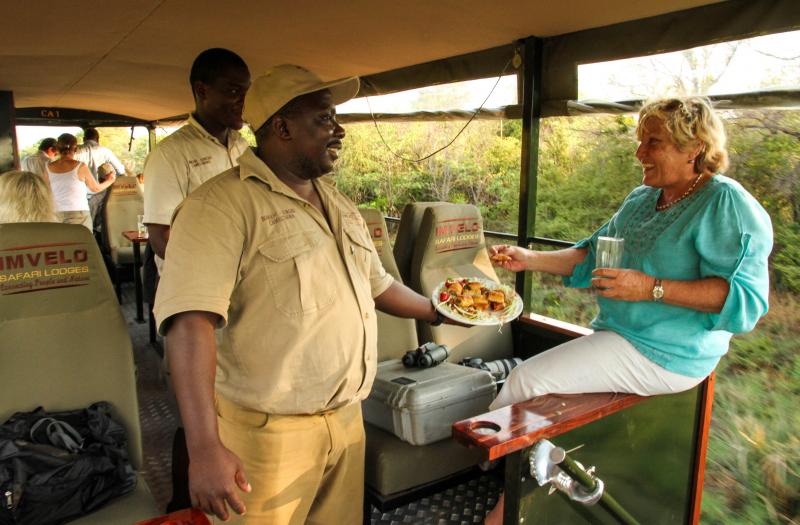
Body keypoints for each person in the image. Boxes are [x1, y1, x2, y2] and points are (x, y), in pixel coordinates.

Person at [153, 64, 457, 524]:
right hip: (268, 436)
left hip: (346, 423)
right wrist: (205, 447)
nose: (340, 130)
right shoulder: (219, 207)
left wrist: (439, 311)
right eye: (325, 118)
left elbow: (377, 284)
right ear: (282, 128)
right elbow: (189, 325)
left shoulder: (339, 203)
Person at [482, 96, 772, 525]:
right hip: (618, 336)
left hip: (668, 353)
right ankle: (502, 479)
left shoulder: (724, 203)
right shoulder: (641, 198)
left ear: (693, 147)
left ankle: (492, 487)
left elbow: (743, 298)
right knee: (537, 391)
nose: (639, 152)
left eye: (653, 142)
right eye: (640, 140)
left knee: (527, 379)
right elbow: (591, 255)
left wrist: (650, 288)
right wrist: (530, 258)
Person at [142, 47, 251, 272]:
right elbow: (161, 239)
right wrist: (221, 269)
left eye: (246, 93)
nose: (243, 101)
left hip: (242, 276)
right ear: (202, 91)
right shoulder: (170, 154)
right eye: (233, 91)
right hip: (197, 281)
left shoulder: (242, 146)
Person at [46, 133, 116, 230]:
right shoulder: (80, 166)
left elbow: (46, 189)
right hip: (78, 214)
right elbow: (95, 188)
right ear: (75, 149)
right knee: (83, 239)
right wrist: (110, 180)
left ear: (57, 148)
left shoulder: (48, 167)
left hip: (56, 213)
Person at [75, 127, 130, 235]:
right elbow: (121, 171)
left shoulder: (76, 151)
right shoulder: (105, 151)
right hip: (100, 192)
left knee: (83, 229)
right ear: (98, 139)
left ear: (84, 139)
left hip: (80, 196)